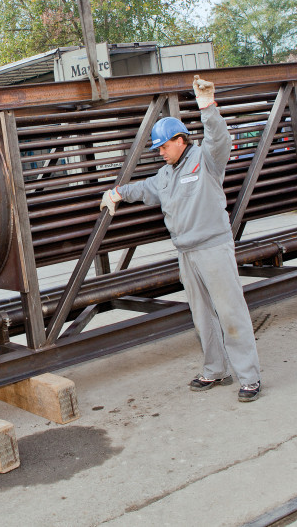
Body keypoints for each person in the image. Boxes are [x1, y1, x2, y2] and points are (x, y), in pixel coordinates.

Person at [99, 76, 262, 402]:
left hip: (213, 247)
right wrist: (117, 192)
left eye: (163, 146)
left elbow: (221, 139)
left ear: (179, 140)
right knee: (201, 316)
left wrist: (207, 106)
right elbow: (143, 189)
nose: (159, 152)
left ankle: (249, 378)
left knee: (231, 313)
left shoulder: (206, 161)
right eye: (157, 148)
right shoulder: (165, 175)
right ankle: (215, 371)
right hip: (186, 253)